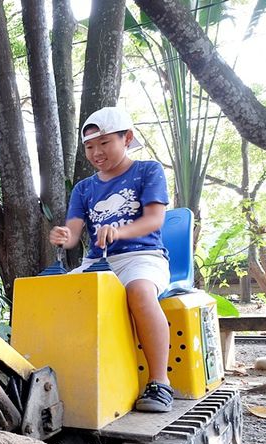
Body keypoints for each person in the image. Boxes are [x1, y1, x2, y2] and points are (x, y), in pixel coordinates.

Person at [49, 106, 173, 413]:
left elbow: (155, 220)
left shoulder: (148, 171)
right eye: (90, 147)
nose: (96, 152)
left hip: (143, 257)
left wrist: (119, 232)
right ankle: (59, 380)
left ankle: (160, 383)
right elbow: (75, 232)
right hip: (99, 263)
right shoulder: (84, 188)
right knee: (54, 296)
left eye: (105, 143)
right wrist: (65, 235)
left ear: (127, 138)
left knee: (139, 292)